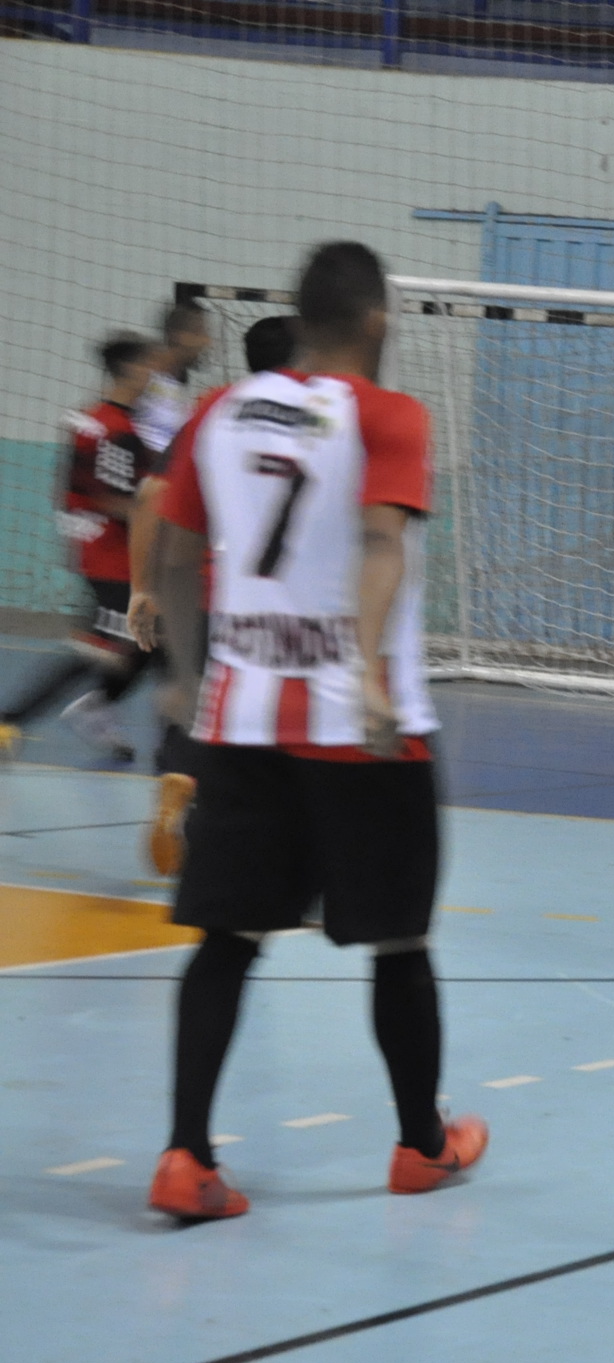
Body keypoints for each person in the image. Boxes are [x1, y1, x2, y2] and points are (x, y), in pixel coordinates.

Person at [143, 242, 485, 1220]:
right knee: (400, 944)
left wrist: (181, 678)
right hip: (359, 732)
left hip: (240, 718)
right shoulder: (386, 413)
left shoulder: (219, 408)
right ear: (375, 321)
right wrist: (368, 674)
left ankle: (185, 1154)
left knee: (226, 939)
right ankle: (421, 1144)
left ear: (294, 319)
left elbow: (171, 546)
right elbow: (380, 541)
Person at [129, 315, 299, 874]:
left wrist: (141, 587)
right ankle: (275, 854)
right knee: (273, 720)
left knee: (194, 697)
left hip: (200, 584)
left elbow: (152, 494)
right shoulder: (322, 414)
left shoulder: (215, 406)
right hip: (275, 597)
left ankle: (180, 776)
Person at [0, 334, 160, 762]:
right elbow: (115, 497)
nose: (153, 377)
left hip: (99, 549)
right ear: (130, 369)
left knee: (150, 642)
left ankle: (96, 708)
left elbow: (75, 487)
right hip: (112, 558)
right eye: (148, 367)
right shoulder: (116, 429)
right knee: (101, 649)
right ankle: (10, 720)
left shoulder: (90, 419)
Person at [134, 297, 212, 458]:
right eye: (200, 332)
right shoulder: (143, 375)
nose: (207, 341)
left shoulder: (178, 382)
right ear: (179, 336)